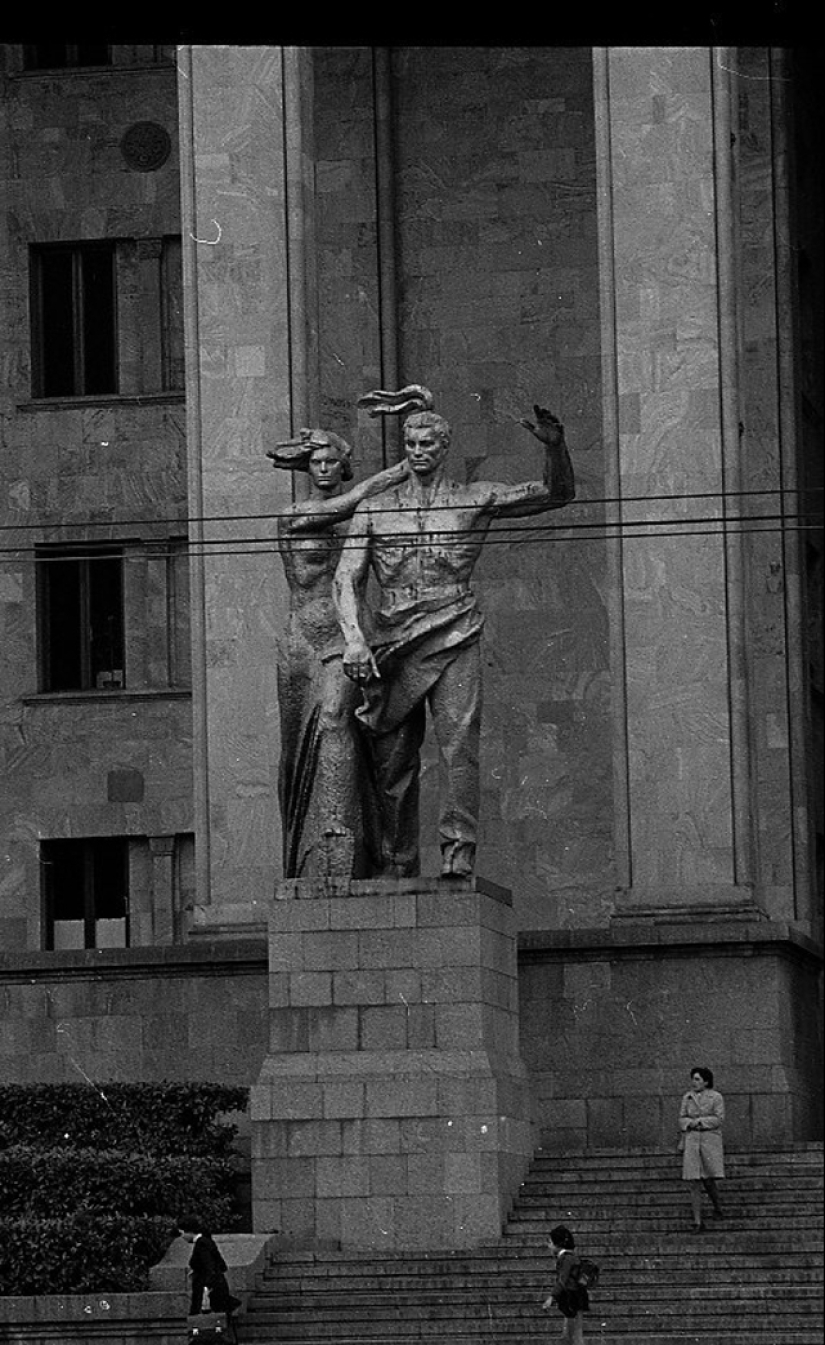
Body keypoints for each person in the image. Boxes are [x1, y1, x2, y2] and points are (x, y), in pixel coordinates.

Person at [333, 397, 575, 878]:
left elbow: (553, 494)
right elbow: (347, 577)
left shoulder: (474, 497)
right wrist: (355, 638)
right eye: (410, 443)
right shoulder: (375, 509)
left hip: (455, 627)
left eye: (427, 444)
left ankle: (458, 853)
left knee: (458, 746)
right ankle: (397, 861)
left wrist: (556, 447)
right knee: (393, 760)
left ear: (443, 448)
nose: (418, 451)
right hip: (392, 638)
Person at [267, 428, 408, 878]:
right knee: (293, 754)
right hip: (299, 643)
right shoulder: (295, 514)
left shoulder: (363, 519)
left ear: (343, 467)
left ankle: (338, 832)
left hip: (343, 639)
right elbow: (342, 507)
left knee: (335, 719)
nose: (324, 469)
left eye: (331, 462)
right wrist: (401, 470)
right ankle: (300, 850)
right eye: (317, 462)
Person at [679, 1065, 725, 1230]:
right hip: (692, 1140)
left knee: (709, 1179)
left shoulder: (716, 1097)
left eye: (697, 1079)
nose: (694, 1082)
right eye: (693, 1079)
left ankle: (718, 1207)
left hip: (709, 1141)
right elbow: (682, 1118)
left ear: (706, 1081)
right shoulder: (687, 1097)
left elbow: (718, 1118)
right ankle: (697, 1221)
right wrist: (688, 1123)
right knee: (694, 1181)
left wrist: (699, 1122)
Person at [177, 1215, 242, 1329]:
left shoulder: (201, 1244)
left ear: (189, 1232)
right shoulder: (207, 1241)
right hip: (215, 1286)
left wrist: (206, 1286)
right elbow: (220, 1265)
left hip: (208, 1288)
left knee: (205, 1324)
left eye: (182, 1233)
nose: (182, 1237)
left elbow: (209, 1266)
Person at [542, 1223, 588, 1344]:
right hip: (575, 1297)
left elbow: (562, 1279)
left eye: (550, 1242)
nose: (549, 1246)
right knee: (571, 1334)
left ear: (558, 1244)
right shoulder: (572, 1257)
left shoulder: (566, 1259)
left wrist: (551, 1298)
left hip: (572, 1298)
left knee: (573, 1335)